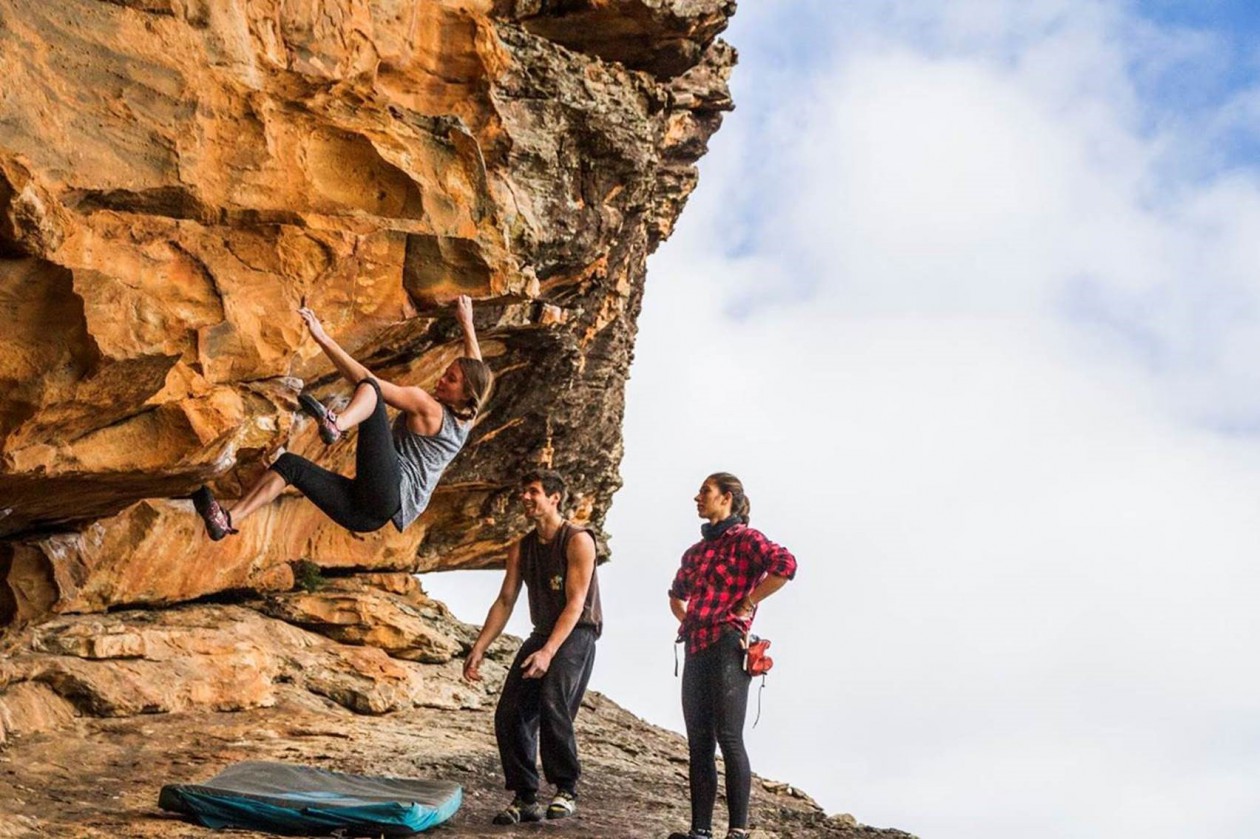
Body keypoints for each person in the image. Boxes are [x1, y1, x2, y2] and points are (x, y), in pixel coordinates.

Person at [191, 295, 493, 540]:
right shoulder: (466, 416)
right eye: (446, 374)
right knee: (290, 466)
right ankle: (227, 520)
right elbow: (475, 368)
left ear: (465, 392)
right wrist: (466, 324)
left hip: (390, 489)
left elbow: (364, 378)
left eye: (450, 380)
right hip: (368, 515)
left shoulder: (426, 405)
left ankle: (337, 424)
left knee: (371, 390)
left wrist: (322, 338)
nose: (442, 379)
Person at [463, 469, 602, 825]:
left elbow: (575, 604)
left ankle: (566, 788)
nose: (525, 497)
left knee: (553, 700)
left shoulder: (577, 540)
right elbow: (506, 599)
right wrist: (479, 647)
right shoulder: (521, 546)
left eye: (534, 492)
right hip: (543, 632)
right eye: (524, 491)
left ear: (554, 498)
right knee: (509, 713)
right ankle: (525, 798)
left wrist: (548, 652)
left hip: (577, 632)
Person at [666, 472, 798, 839]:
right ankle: (700, 830)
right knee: (699, 742)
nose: (697, 497)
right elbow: (675, 593)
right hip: (695, 646)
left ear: (726, 498)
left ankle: (737, 831)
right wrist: (689, 619)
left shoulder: (746, 540)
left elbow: (785, 566)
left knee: (728, 736)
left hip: (728, 644)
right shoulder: (695, 553)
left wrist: (748, 602)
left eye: (704, 491)